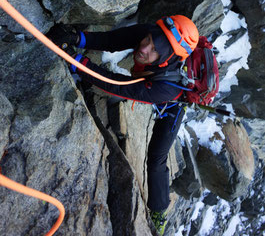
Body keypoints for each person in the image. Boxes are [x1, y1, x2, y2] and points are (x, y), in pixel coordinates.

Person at [49, 15, 199, 235]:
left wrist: (76, 61)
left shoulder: (166, 88)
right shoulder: (151, 35)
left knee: (156, 159)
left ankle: (159, 211)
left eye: (154, 49)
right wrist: (74, 38)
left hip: (172, 107)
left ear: (166, 58)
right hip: (153, 84)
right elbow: (112, 40)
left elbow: (118, 85)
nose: (144, 48)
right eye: (147, 39)